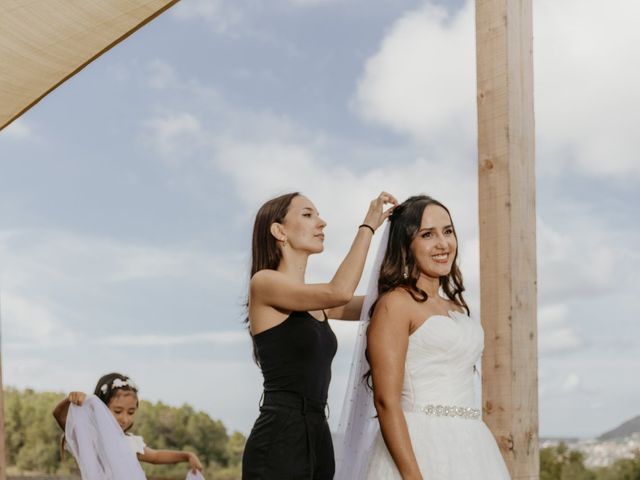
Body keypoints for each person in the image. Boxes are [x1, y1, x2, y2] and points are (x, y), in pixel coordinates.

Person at [335, 195, 510, 479]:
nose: (443, 243)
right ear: (406, 246)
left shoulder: (456, 308)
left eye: (448, 231)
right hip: (418, 444)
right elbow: (385, 400)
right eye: (428, 234)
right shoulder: (396, 303)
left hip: (473, 446)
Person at [241, 191, 396, 480]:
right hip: (280, 437)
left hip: (318, 432)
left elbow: (382, 305)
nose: (322, 222)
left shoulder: (316, 302)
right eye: (308, 214)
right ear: (279, 231)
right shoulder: (264, 283)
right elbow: (339, 291)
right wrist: (368, 228)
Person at [53, 372, 203, 474]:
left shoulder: (129, 443)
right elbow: (59, 416)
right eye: (117, 411)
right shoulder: (91, 439)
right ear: (100, 408)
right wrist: (70, 399)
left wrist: (187, 455)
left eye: (130, 412)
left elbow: (156, 456)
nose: (125, 419)